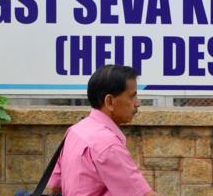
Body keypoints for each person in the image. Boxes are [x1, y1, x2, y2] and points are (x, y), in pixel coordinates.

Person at [48, 65, 162, 196]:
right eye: (132, 97)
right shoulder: (108, 145)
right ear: (109, 102)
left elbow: (54, 187)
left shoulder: (75, 131)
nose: (137, 103)